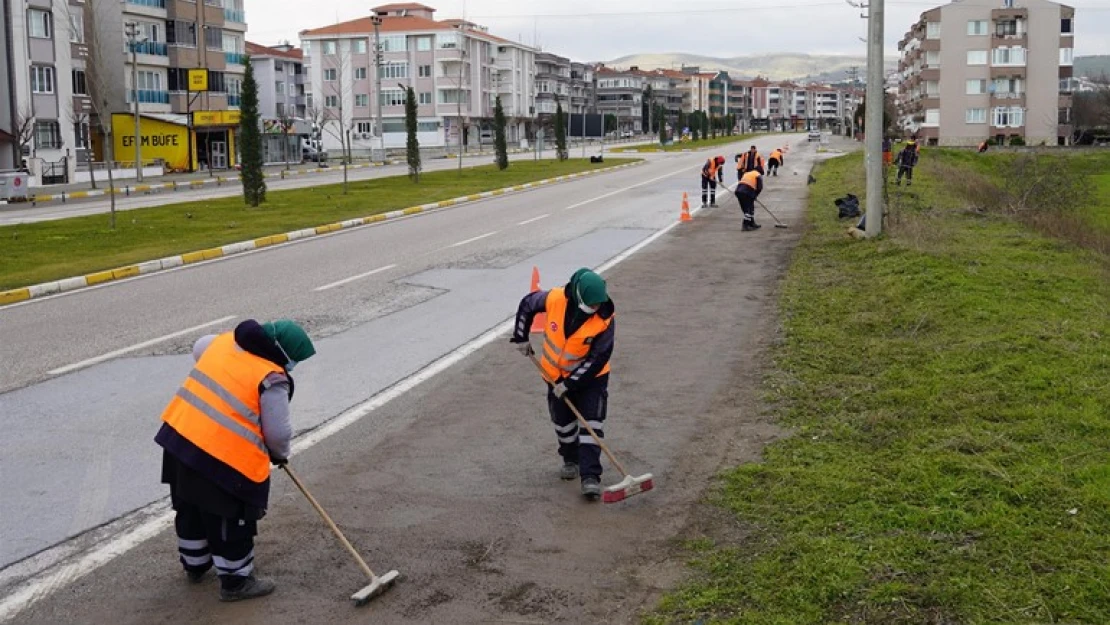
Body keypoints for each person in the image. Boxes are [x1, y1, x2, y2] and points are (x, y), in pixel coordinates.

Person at [155, 319, 317, 601]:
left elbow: (199, 348)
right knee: (229, 520)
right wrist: (280, 455)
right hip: (222, 460)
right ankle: (236, 581)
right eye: (294, 360)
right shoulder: (271, 377)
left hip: (179, 438)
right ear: (282, 353)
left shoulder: (224, 342)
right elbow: (278, 433)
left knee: (190, 506)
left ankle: (194, 565)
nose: (293, 367)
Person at [510, 269, 615, 501]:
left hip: (591, 380)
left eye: (598, 304)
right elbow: (527, 304)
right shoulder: (556, 298)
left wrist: (571, 383)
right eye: (591, 305)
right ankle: (570, 459)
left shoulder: (604, 318)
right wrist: (521, 337)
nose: (595, 309)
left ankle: (591, 477)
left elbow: (598, 358)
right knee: (563, 424)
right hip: (553, 376)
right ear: (578, 298)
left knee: (591, 426)